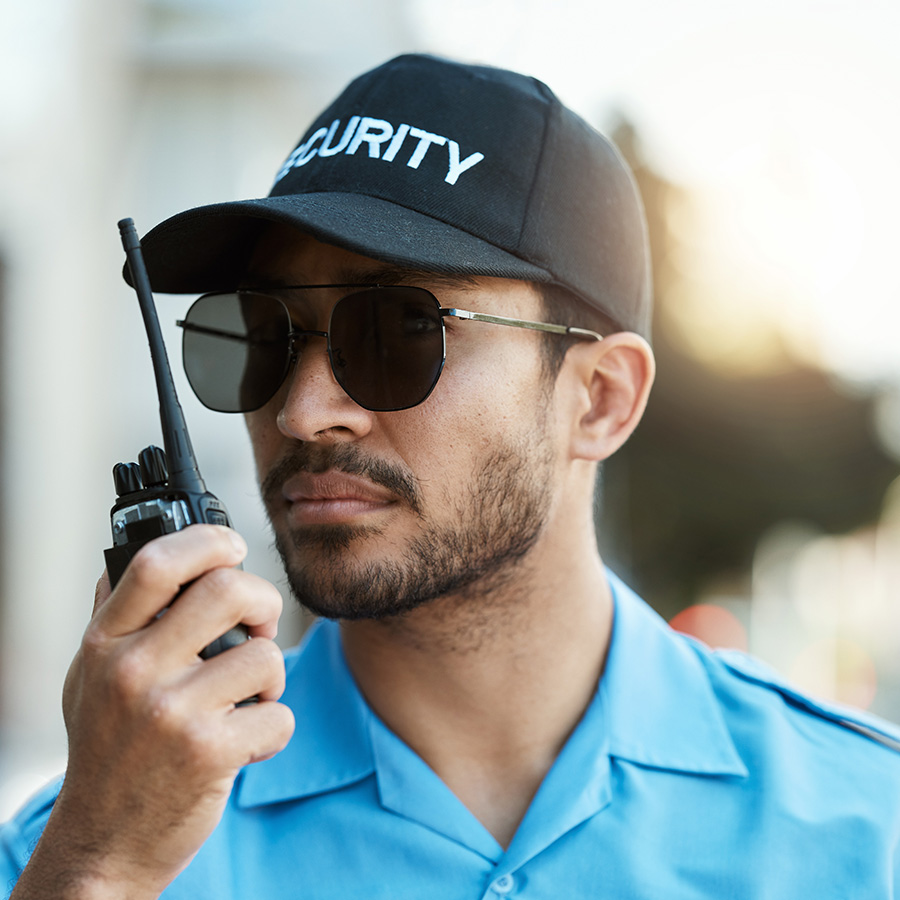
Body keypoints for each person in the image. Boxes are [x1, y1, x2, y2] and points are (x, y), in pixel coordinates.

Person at [2, 53, 900, 899]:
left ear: (599, 401)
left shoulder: (867, 832)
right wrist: (95, 870)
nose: (302, 413)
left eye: (398, 333)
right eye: (263, 334)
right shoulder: (94, 845)